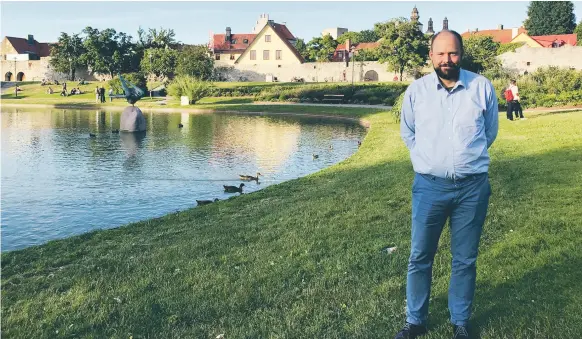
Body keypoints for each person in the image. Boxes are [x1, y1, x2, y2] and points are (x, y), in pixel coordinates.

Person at [398, 30, 498, 339]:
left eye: (452, 53)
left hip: (472, 189)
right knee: (419, 257)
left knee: (465, 259)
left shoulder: (481, 88)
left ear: (461, 54)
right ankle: (415, 321)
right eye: (440, 54)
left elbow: (489, 133)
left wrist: (464, 160)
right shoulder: (416, 92)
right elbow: (409, 133)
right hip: (429, 187)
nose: (446, 59)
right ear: (431, 56)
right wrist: (431, 161)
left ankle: (460, 322)